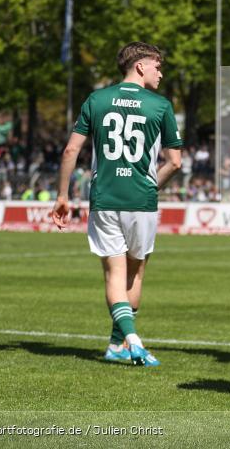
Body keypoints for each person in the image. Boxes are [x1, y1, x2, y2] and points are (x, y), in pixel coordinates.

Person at [52, 42, 183, 367]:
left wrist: (62, 196)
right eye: (157, 66)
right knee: (134, 276)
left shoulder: (96, 100)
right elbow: (175, 162)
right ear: (140, 66)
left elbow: (70, 151)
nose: (161, 73)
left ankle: (117, 344)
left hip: (105, 198)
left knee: (114, 274)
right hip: (141, 200)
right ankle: (133, 341)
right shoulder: (160, 106)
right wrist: (152, 184)